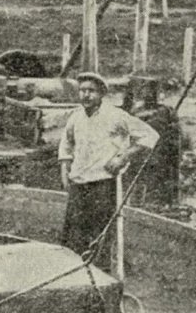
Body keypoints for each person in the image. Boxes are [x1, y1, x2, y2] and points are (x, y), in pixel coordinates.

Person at [58, 71, 158, 272]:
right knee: (73, 234)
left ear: (101, 93)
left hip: (103, 183)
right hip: (79, 183)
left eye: (91, 91)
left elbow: (149, 135)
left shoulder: (115, 116)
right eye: (82, 90)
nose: (86, 95)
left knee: (100, 233)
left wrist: (123, 157)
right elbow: (66, 144)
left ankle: (100, 274)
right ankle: (74, 274)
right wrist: (64, 167)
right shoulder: (76, 117)